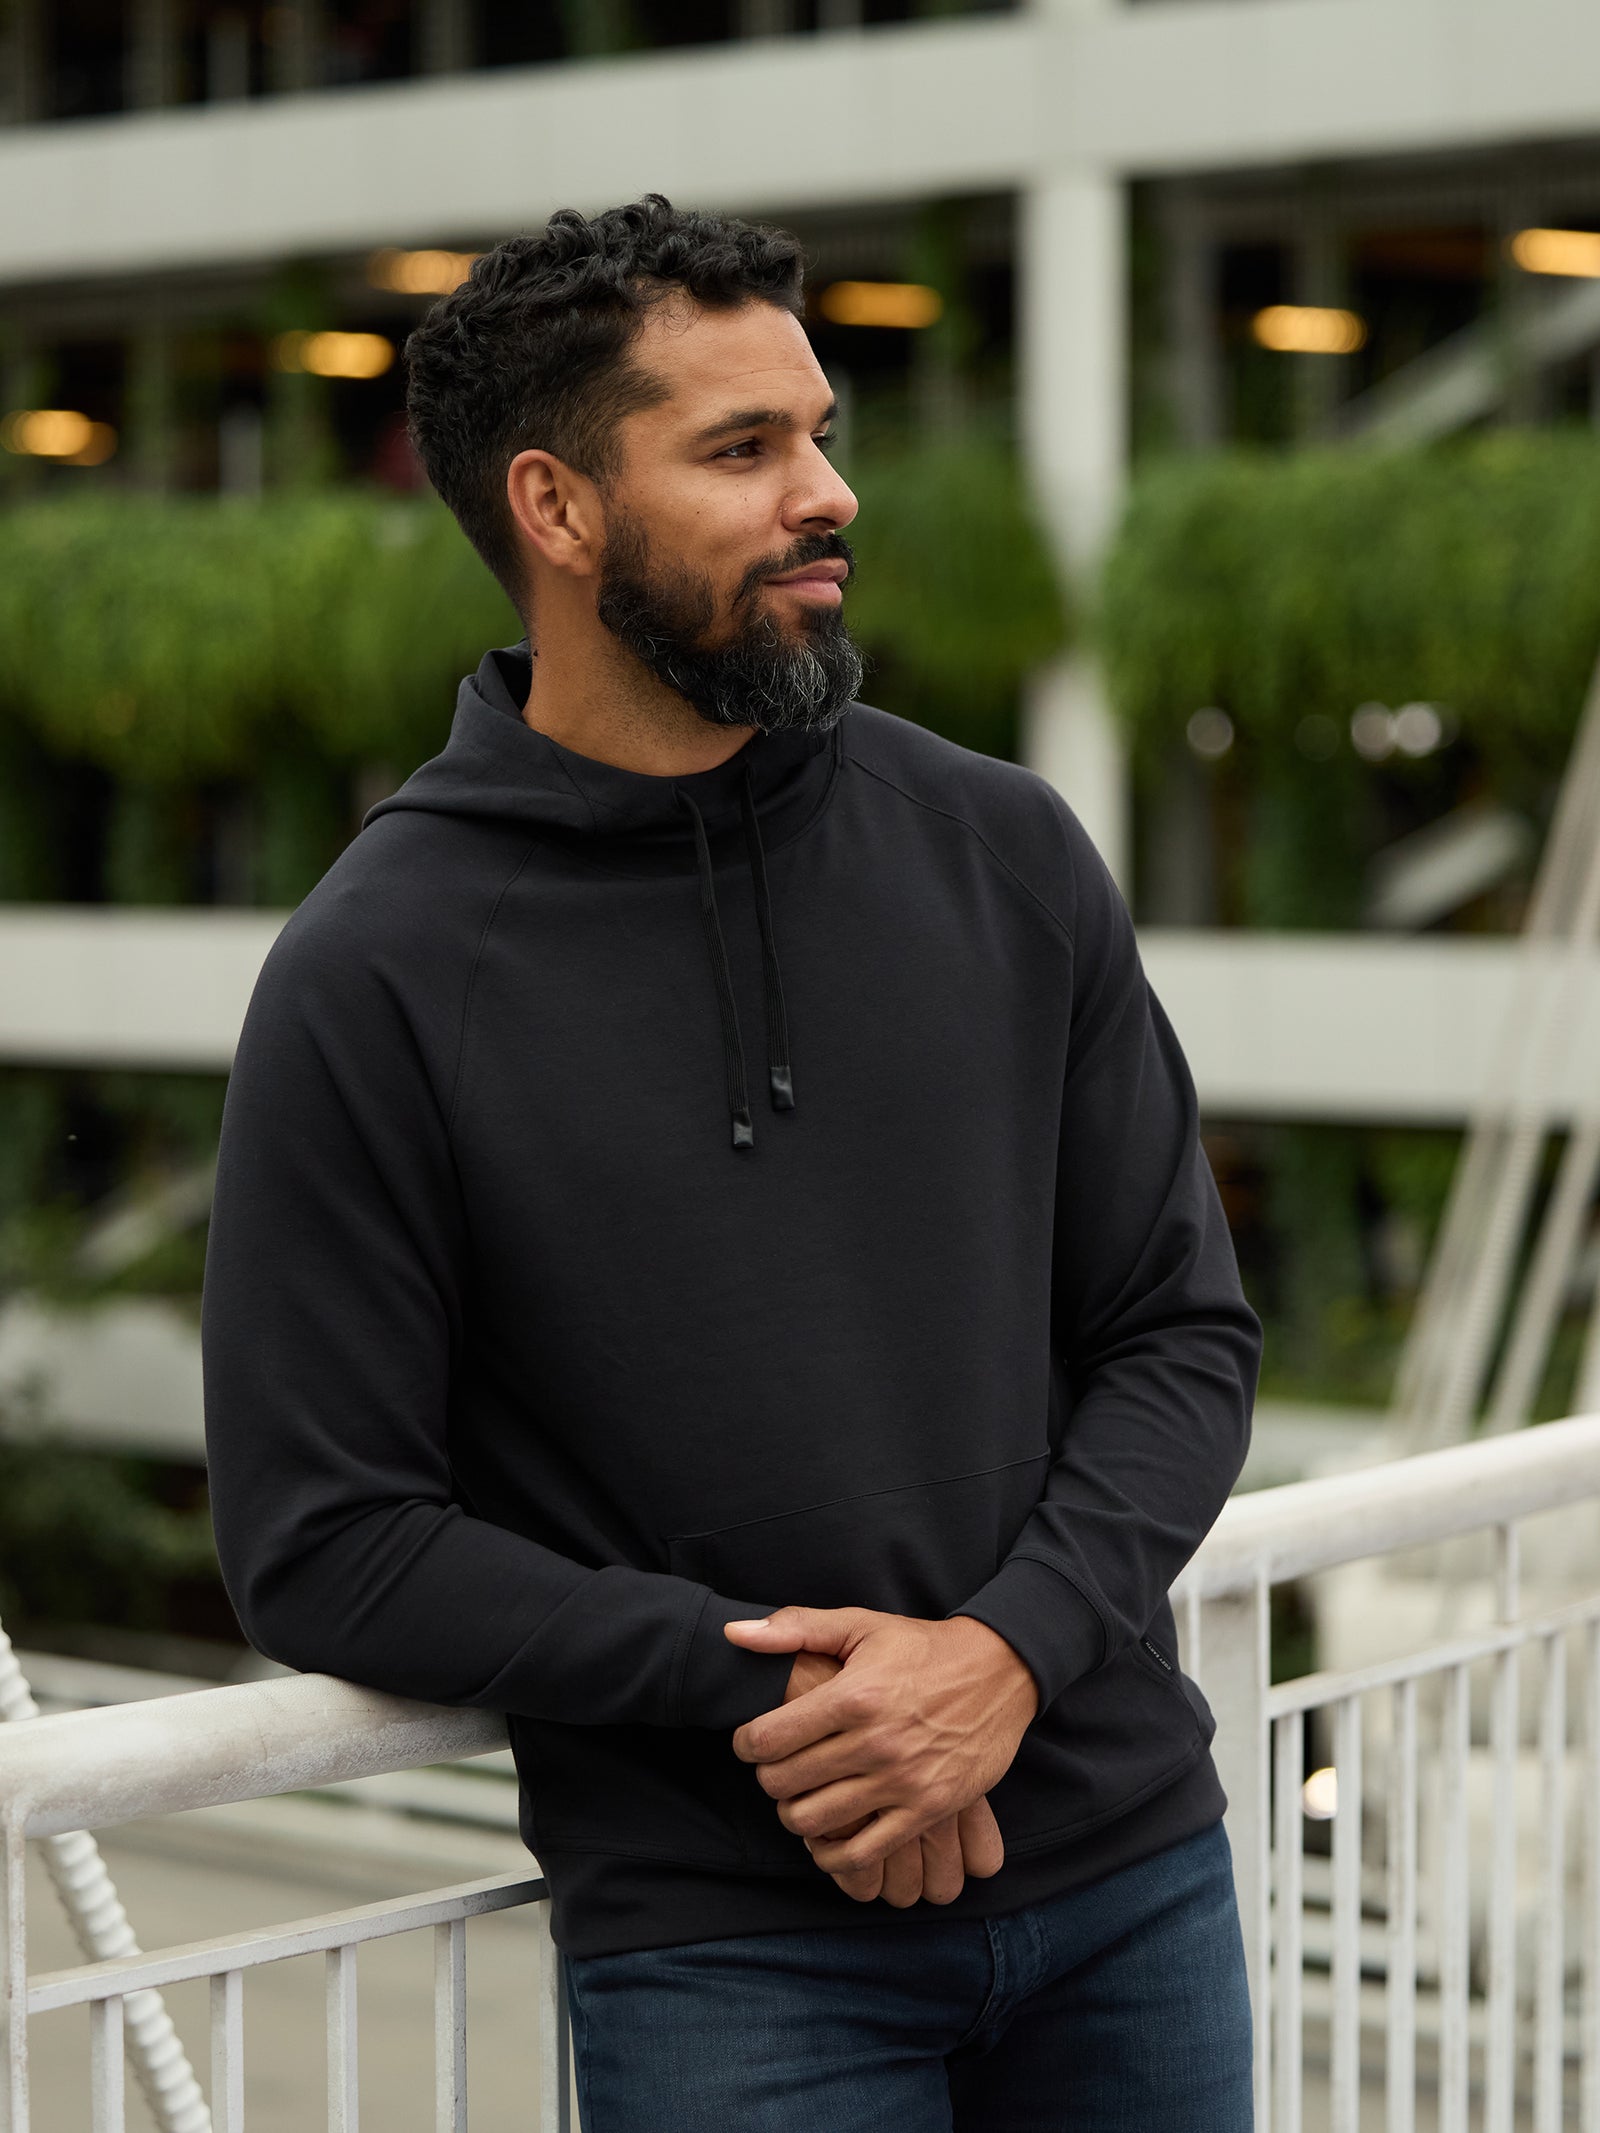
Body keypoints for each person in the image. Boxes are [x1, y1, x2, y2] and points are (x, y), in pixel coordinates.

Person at [202, 194, 1261, 2132]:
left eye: (820, 430)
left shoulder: (1003, 849)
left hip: (1129, 1877)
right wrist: (784, 1692)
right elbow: (323, 1530)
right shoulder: (378, 967)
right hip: (726, 1948)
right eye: (742, 448)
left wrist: (1002, 1656)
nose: (824, 491)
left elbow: (1177, 1330)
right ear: (555, 504)